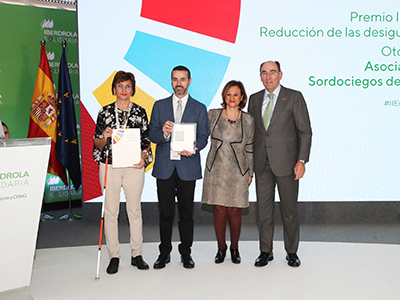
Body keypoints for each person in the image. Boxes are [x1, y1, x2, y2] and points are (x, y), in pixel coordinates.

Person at [248, 61, 312, 268]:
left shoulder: (294, 97)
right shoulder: (254, 99)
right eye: (264, 73)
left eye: (272, 72)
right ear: (260, 76)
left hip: (287, 165)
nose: (268, 77)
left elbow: (305, 131)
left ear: (280, 74)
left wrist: (301, 160)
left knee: (289, 211)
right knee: (263, 212)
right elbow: (252, 135)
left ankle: (292, 251)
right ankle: (265, 251)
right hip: (261, 165)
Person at [148, 65, 208, 269]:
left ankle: (186, 253)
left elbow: (203, 136)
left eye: (183, 79)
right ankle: (164, 253)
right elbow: (152, 134)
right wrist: (164, 134)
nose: (179, 83)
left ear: (189, 81)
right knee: (165, 213)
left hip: (187, 167)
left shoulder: (199, 108)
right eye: (175, 79)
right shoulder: (159, 105)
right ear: (171, 81)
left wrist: (195, 147)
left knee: (186, 214)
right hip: (165, 167)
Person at [93, 71, 152, 274]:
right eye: (120, 86)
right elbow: (97, 142)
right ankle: (114, 256)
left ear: (132, 89)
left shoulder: (141, 112)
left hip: (134, 166)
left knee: (134, 211)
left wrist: (144, 156)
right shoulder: (105, 112)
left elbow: (146, 142)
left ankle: (137, 254)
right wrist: (105, 136)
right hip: (110, 165)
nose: (124, 90)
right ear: (114, 89)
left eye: (127, 86)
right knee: (110, 212)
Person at [201, 80, 254, 264]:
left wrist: (250, 172)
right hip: (215, 169)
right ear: (224, 96)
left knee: (234, 211)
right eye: (229, 94)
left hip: (238, 170)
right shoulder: (212, 115)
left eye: (236, 94)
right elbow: (199, 135)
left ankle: (234, 247)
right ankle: (221, 247)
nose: (232, 98)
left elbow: (249, 147)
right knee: (218, 209)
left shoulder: (248, 120)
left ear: (242, 98)